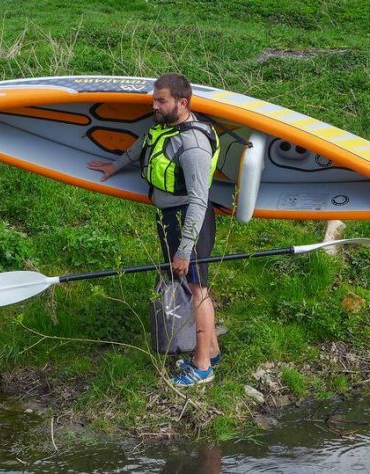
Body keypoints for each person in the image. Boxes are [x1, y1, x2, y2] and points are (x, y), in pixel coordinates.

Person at [87, 73, 222, 387]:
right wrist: (113, 167)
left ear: (182, 102)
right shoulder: (163, 127)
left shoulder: (193, 145)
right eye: (154, 99)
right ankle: (211, 350)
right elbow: (140, 149)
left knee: (197, 289)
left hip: (190, 220)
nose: (154, 105)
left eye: (161, 100)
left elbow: (200, 200)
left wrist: (185, 250)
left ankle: (202, 367)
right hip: (169, 216)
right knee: (191, 286)